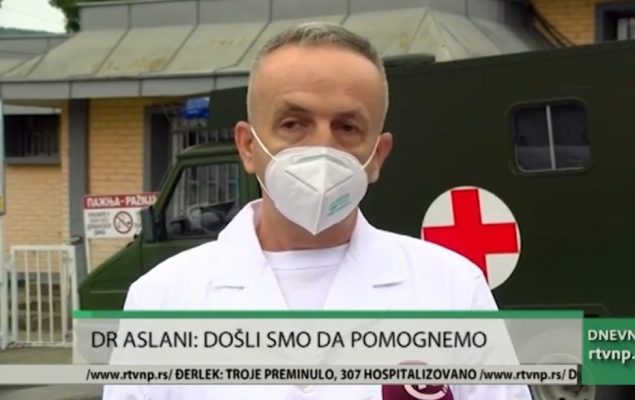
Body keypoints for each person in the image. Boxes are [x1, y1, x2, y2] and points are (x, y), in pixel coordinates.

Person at [102, 22, 532, 400]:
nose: (322, 147)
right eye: (293, 124)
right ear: (248, 147)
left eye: (347, 127)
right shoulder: (161, 301)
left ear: (378, 156)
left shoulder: (452, 290)